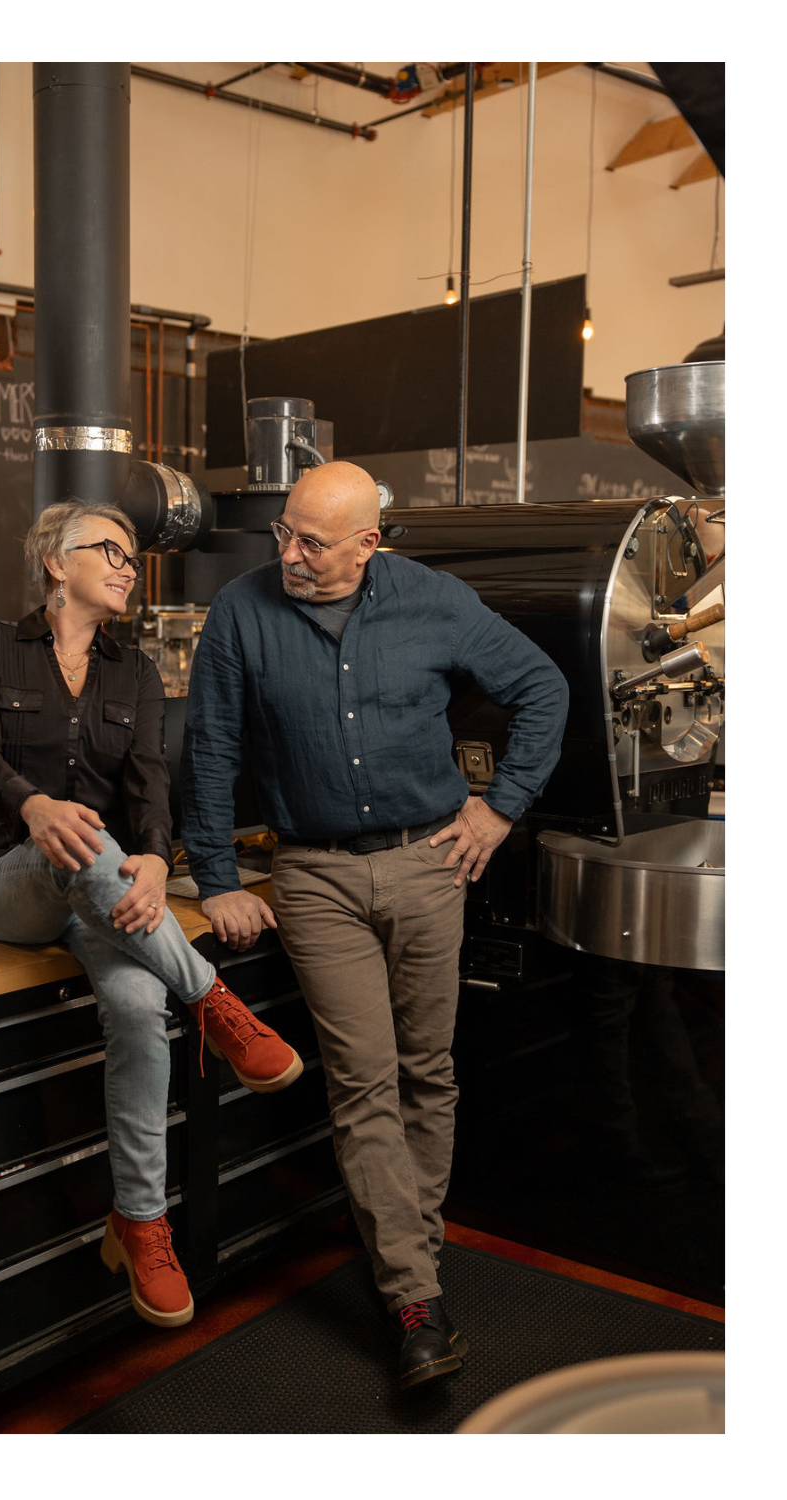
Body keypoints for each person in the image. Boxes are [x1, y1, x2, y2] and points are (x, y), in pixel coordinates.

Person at [182, 460, 568, 1390]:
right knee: (363, 1081)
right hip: (314, 875)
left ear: (369, 543)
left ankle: (408, 1254)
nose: (289, 554)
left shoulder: (436, 600)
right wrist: (219, 875)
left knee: (427, 1072)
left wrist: (498, 809)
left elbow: (542, 690)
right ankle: (413, 1298)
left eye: (313, 542)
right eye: (283, 532)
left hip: (433, 862)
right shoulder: (241, 610)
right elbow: (209, 745)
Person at [0, 499, 307, 1333]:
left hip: (101, 893)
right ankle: (214, 999)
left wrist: (153, 859)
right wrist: (34, 805)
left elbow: (151, 781)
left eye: (132, 553)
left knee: (142, 1007)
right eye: (107, 550)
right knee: (72, 834)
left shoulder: (134, 672)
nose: (127, 564)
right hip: (5, 884)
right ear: (54, 563)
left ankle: (140, 1221)